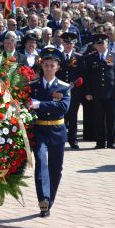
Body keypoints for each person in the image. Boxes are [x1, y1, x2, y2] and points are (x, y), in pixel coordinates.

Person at [29, 46, 71, 217]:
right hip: (39, 130)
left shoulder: (64, 87)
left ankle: (49, 201)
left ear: (57, 67)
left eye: (52, 65)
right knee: (40, 161)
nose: (48, 68)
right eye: (46, 65)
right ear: (41, 65)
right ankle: (43, 199)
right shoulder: (33, 86)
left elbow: (63, 107)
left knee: (55, 168)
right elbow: (26, 104)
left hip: (57, 130)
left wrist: (39, 104)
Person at [83, 33, 115, 149]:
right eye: (98, 44)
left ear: (107, 44)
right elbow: (87, 77)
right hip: (96, 93)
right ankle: (100, 142)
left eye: (103, 43)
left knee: (112, 118)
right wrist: (88, 92)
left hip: (111, 93)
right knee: (98, 118)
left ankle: (111, 141)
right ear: (95, 46)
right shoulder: (91, 57)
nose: (101, 46)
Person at [57, 32, 84, 149]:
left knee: (73, 116)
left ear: (74, 44)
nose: (68, 45)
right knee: (61, 116)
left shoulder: (79, 57)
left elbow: (83, 74)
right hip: (60, 91)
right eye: (66, 43)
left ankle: (73, 139)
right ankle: (60, 139)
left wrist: (75, 82)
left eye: (71, 43)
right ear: (62, 43)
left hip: (74, 91)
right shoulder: (57, 57)